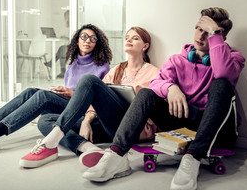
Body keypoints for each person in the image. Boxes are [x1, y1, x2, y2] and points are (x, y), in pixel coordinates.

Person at [82, 7, 246, 189]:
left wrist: (215, 33)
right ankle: (117, 155)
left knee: (221, 83)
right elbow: (156, 84)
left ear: (220, 37)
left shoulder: (234, 58)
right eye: (199, 29)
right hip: (184, 122)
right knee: (146, 93)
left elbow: (223, 71)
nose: (201, 36)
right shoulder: (177, 60)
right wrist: (170, 88)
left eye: (208, 33)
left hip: (218, 128)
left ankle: (192, 158)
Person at [0, 24, 112, 155]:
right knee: (31, 91)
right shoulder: (73, 63)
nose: (87, 41)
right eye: (84, 36)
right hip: (67, 104)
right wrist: (63, 92)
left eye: (92, 39)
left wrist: (71, 93)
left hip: (83, 111)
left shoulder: (103, 67)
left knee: (42, 96)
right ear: (77, 39)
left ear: (97, 43)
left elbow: (96, 101)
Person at [18, 27, 160, 168]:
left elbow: (154, 111)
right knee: (45, 120)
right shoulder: (117, 70)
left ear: (145, 46)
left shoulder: (154, 73)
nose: (129, 40)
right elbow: (96, 101)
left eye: (135, 38)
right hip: (107, 127)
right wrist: (86, 121)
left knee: (89, 80)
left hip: (130, 130)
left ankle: (50, 143)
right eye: (127, 37)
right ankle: (87, 148)